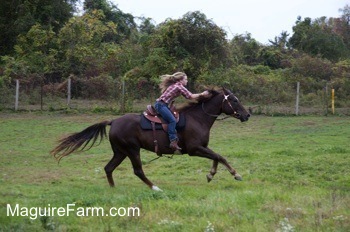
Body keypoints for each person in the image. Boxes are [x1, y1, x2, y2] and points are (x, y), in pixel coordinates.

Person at [154, 72, 209, 152]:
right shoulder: (179, 86)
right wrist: (202, 94)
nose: (187, 81)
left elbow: (188, 97)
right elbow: (190, 96)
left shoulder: (176, 85)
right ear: (181, 80)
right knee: (172, 120)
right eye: (186, 79)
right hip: (161, 105)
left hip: (163, 105)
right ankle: (173, 141)